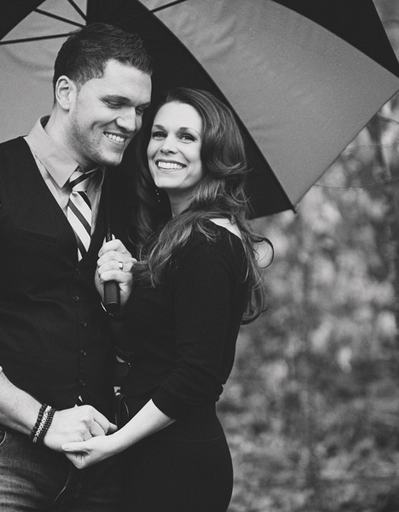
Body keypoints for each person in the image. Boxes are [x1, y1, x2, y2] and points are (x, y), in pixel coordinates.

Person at [0, 23, 152, 511]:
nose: (131, 123)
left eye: (140, 109)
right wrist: (44, 422)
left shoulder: (135, 193)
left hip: (101, 458)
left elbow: (147, 335)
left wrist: (125, 305)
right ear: (66, 91)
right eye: (115, 103)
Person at [63, 88, 269, 512]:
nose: (166, 147)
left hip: (177, 465)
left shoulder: (206, 244)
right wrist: (114, 291)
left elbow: (198, 374)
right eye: (158, 134)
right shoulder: (176, 238)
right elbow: (147, 349)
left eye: (186, 137)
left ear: (214, 151)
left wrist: (115, 443)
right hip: (150, 454)